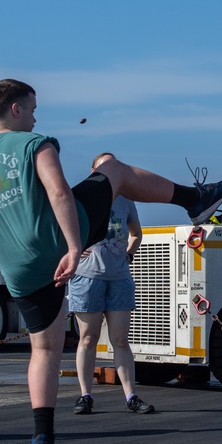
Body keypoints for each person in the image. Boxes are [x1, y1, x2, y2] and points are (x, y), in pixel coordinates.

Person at [0, 79, 222, 444]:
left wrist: (11, 263)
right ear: (15, 109)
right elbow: (58, 192)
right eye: (33, 108)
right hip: (57, 242)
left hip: (18, 265)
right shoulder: (33, 143)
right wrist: (75, 246)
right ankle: (196, 199)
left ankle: (42, 439)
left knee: (43, 350)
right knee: (112, 169)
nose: (36, 115)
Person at [69, 152, 155, 416]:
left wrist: (129, 254)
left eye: (113, 165)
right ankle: (85, 396)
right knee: (88, 338)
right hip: (87, 277)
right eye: (103, 165)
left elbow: (136, 234)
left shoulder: (126, 201)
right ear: (93, 170)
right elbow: (58, 227)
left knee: (120, 339)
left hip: (118, 277)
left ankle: (131, 395)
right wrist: (71, 249)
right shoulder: (79, 196)